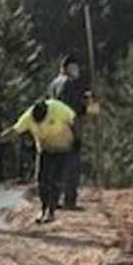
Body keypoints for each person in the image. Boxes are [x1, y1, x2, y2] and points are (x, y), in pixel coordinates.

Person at [8, 97, 77, 225]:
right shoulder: (28, 116)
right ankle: (43, 208)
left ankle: (51, 211)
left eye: (42, 120)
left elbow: (74, 120)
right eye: (36, 121)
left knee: (56, 181)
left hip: (63, 147)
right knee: (41, 180)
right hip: (44, 149)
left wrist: (77, 139)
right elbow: (15, 131)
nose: (39, 124)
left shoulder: (57, 108)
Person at [49, 53, 90, 209]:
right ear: (69, 68)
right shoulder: (69, 84)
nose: (77, 70)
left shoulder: (53, 84)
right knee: (71, 166)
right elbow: (75, 109)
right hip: (68, 130)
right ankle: (69, 200)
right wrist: (88, 103)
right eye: (75, 67)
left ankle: (53, 199)